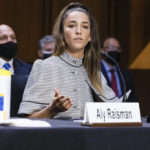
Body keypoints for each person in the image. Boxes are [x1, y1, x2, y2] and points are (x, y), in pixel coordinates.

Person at [18, 2, 122, 119]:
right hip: (57, 136)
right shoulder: (44, 66)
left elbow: (116, 111)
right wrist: (51, 110)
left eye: (85, 26)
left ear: (90, 36)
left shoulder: (95, 71)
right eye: (72, 26)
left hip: (90, 136)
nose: (79, 31)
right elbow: (27, 120)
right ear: (61, 33)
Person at [0, 24, 32, 116]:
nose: (10, 41)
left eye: (13, 38)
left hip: (20, 120)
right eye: (3, 38)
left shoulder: (28, 69)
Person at [101, 37, 138, 102]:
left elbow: (132, 100)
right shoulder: (93, 72)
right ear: (102, 50)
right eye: (111, 47)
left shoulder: (126, 75)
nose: (115, 51)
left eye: (118, 48)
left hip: (123, 111)